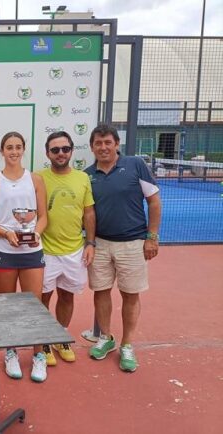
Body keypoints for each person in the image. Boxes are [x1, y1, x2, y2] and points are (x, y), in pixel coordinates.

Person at [85, 124, 161, 373]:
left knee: (130, 294)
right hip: (101, 244)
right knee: (101, 292)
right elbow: (88, 213)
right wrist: (91, 243)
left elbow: (154, 202)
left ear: (117, 144)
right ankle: (105, 337)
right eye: (98, 143)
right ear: (92, 147)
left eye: (108, 142)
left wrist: (151, 237)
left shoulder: (135, 165)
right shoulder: (87, 175)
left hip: (133, 243)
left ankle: (127, 344)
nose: (103, 147)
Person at [0, 131, 48, 382]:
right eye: (9, 147)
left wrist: (35, 234)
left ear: (24, 149)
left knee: (35, 305)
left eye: (18, 147)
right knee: (8, 305)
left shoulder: (36, 180)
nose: (14, 151)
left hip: (31, 251)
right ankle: (10, 352)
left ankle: (38, 355)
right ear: (2, 151)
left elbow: (43, 216)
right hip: (3, 250)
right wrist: (6, 233)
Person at [38, 131, 96, 367]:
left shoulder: (83, 178)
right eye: (55, 150)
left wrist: (90, 243)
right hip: (45, 250)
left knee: (66, 295)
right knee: (42, 298)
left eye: (65, 149)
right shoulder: (37, 178)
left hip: (74, 250)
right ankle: (42, 340)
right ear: (47, 153)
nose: (60, 153)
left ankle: (61, 336)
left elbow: (89, 212)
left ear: (71, 150)